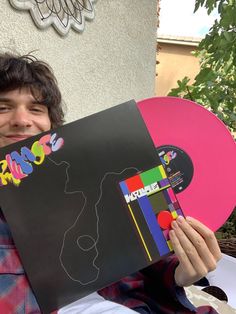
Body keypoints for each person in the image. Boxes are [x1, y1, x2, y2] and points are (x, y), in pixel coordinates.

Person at [0, 52, 222, 314]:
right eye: (3, 107)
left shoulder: (87, 177)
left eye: (36, 109)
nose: (22, 120)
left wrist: (181, 272)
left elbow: (145, 254)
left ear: (51, 123)